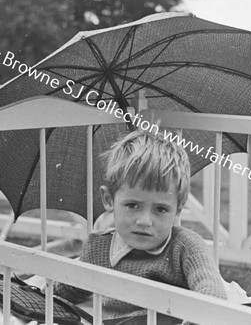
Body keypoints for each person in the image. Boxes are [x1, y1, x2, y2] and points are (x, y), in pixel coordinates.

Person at [53, 129, 227, 320]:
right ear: (109, 199)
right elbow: (68, 289)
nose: (144, 221)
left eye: (160, 209)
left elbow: (211, 292)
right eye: (132, 205)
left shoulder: (185, 245)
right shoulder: (99, 248)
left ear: (177, 210)